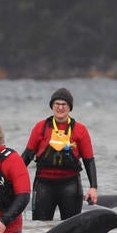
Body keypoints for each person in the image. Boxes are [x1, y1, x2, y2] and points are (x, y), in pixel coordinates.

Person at [20, 88, 97, 220]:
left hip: (70, 185)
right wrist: (11, 181)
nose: (60, 108)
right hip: (43, 185)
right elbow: (26, 156)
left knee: (71, 228)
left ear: (70, 108)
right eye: (57, 104)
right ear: (52, 106)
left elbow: (89, 160)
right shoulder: (41, 127)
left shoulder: (80, 130)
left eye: (64, 104)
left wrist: (93, 187)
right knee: (39, 227)